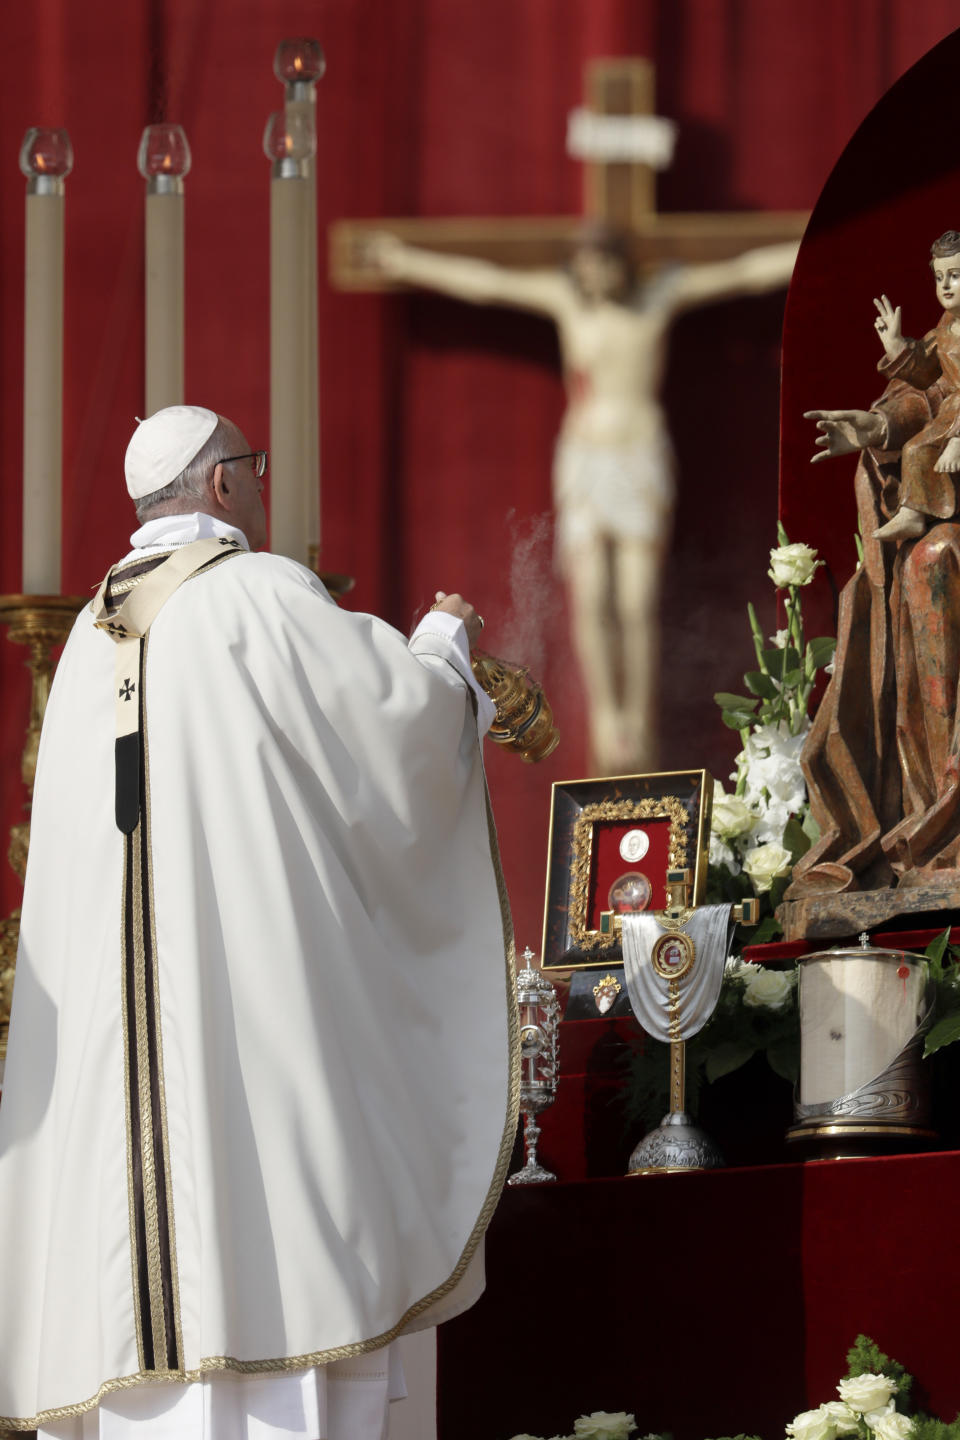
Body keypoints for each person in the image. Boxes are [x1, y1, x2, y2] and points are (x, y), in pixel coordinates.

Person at [0, 406, 518, 1439]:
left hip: (123, 1082)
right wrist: (445, 643)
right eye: (255, 467)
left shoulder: (84, 648)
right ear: (224, 486)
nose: (263, 484)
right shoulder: (261, 595)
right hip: (250, 1037)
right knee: (276, 1236)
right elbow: (397, 733)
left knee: (143, 1261)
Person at [366, 226, 797, 774]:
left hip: (639, 458)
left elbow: (744, 272)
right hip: (587, 462)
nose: (595, 276)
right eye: (587, 265)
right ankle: (607, 719)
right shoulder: (566, 301)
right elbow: (487, 283)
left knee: (637, 601)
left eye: (605, 264)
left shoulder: (659, 297)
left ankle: (637, 719)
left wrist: (814, 240)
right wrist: (406, 259)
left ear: (623, 264)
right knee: (592, 597)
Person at [791, 375, 960, 895]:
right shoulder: (943, 344)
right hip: (945, 511)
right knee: (920, 565)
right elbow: (927, 397)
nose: (950, 287)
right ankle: (933, 804)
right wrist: (881, 428)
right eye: (943, 283)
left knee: (937, 558)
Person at [871, 231, 960, 541]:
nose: (945, 285)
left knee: (921, 448)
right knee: (914, 448)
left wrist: (957, 437)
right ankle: (912, 514)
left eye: (955, 275)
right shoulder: (946, 326)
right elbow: (925, 372)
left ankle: (913, 514)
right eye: (939, 277)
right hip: (951, 412)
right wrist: (896, 347)